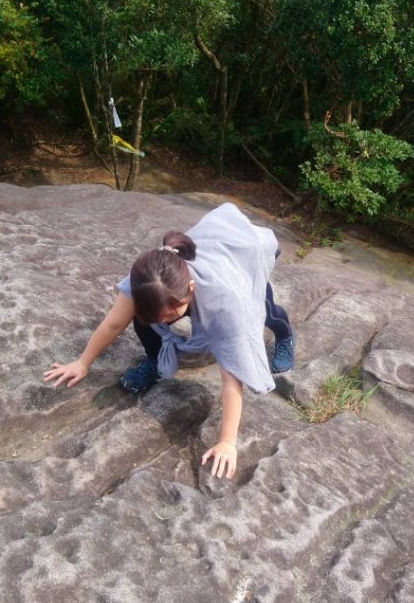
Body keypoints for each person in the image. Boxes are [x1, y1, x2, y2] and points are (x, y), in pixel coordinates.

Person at [44, 203, 295, 479]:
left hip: (241, 256)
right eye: (158, 316)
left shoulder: (226, 301)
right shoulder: (143, 282)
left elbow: (232, 376)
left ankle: (285, 335)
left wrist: (227, 442)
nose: (164, 320)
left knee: (263, 311)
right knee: (143, 319)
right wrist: (82, 362)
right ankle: (154, 363)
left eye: (170, 314)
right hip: (195, 266)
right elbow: (114, 322)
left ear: (190, 290)